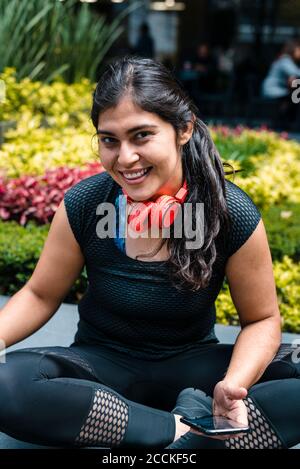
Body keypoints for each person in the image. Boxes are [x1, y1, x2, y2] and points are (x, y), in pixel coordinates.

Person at [0, 56, 299, 450]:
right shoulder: (86, 204)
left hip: (195, 370)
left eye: (141, 135)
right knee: (6, 385)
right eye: (110, 140)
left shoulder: (230, 213)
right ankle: (182, 432)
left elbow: (261, 319)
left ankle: (143, 426)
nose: (125, 158)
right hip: (100, 368)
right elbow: (40, 294)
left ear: (183, 128)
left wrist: (234, 384)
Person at [261, 39, 300, 129]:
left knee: (295, 96)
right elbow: (295, 73)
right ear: (293, 49)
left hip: (278, 90)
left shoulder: (286, 60)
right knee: (295, 97)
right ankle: (285, 122)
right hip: (273, 90)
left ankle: (284, 121)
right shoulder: (285, 60)